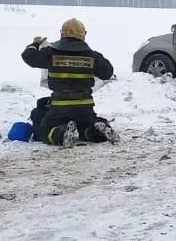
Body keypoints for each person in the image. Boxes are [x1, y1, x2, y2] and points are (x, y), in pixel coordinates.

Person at [21, 18, 117, 146]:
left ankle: (61, 133)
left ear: (61, 34)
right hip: (85, 106)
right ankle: (95, 131)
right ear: (84, 35)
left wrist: (35, 44)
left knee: (44, 131)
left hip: (60, 106)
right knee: (85, 127)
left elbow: (29, 57)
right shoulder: (92, 56)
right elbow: (107, 72)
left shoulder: (51, 54)